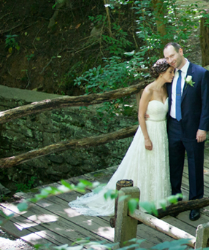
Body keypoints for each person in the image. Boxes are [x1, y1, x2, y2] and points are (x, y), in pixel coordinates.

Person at [69, 59, 175, 216]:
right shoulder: (148, 90)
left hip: (161, 132)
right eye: (170, 72)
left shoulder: (166, 89)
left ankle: (157, 201)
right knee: (143, 165)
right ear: (161, 73)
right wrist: (146, 138)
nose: (173, 74)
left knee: (159, 164)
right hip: (149, 131)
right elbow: (140, 115)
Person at [164, 42, 209, 221]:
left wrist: (203, 127)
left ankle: (195, 203)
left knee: (195, 165)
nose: (170, 60)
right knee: (174, 165)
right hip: (173, 127)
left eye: (172, 56)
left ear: (181, 52)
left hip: (193, 128)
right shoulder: (168, 74)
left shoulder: (200, 74)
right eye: (167, 58)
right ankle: (176, 201)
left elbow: (207, 104)